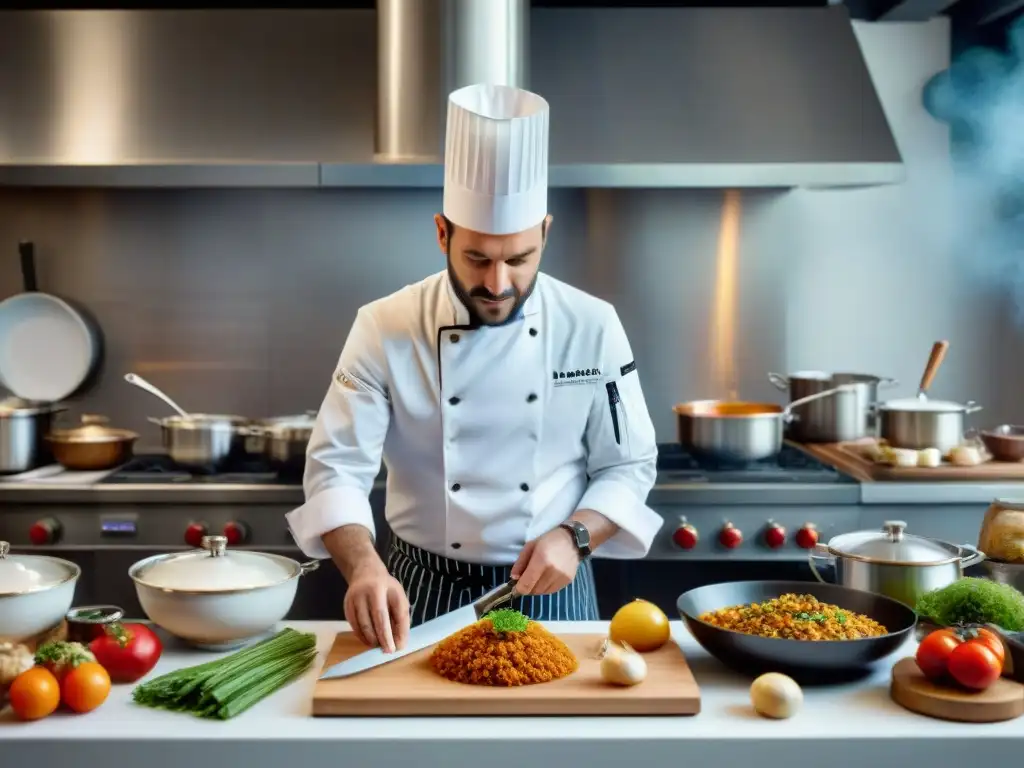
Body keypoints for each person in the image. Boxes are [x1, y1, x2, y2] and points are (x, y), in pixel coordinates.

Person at [286, 83, 662, 654]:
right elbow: (337, 468)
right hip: (417, 595)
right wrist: (363, 566)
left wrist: (576, 536)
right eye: (477, 258)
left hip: (551, 593)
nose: (497, 283)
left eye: (519, 259)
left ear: (545, 233)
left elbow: (630, 464)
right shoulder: (384, 326)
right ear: (442, 233)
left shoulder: (593, 325)